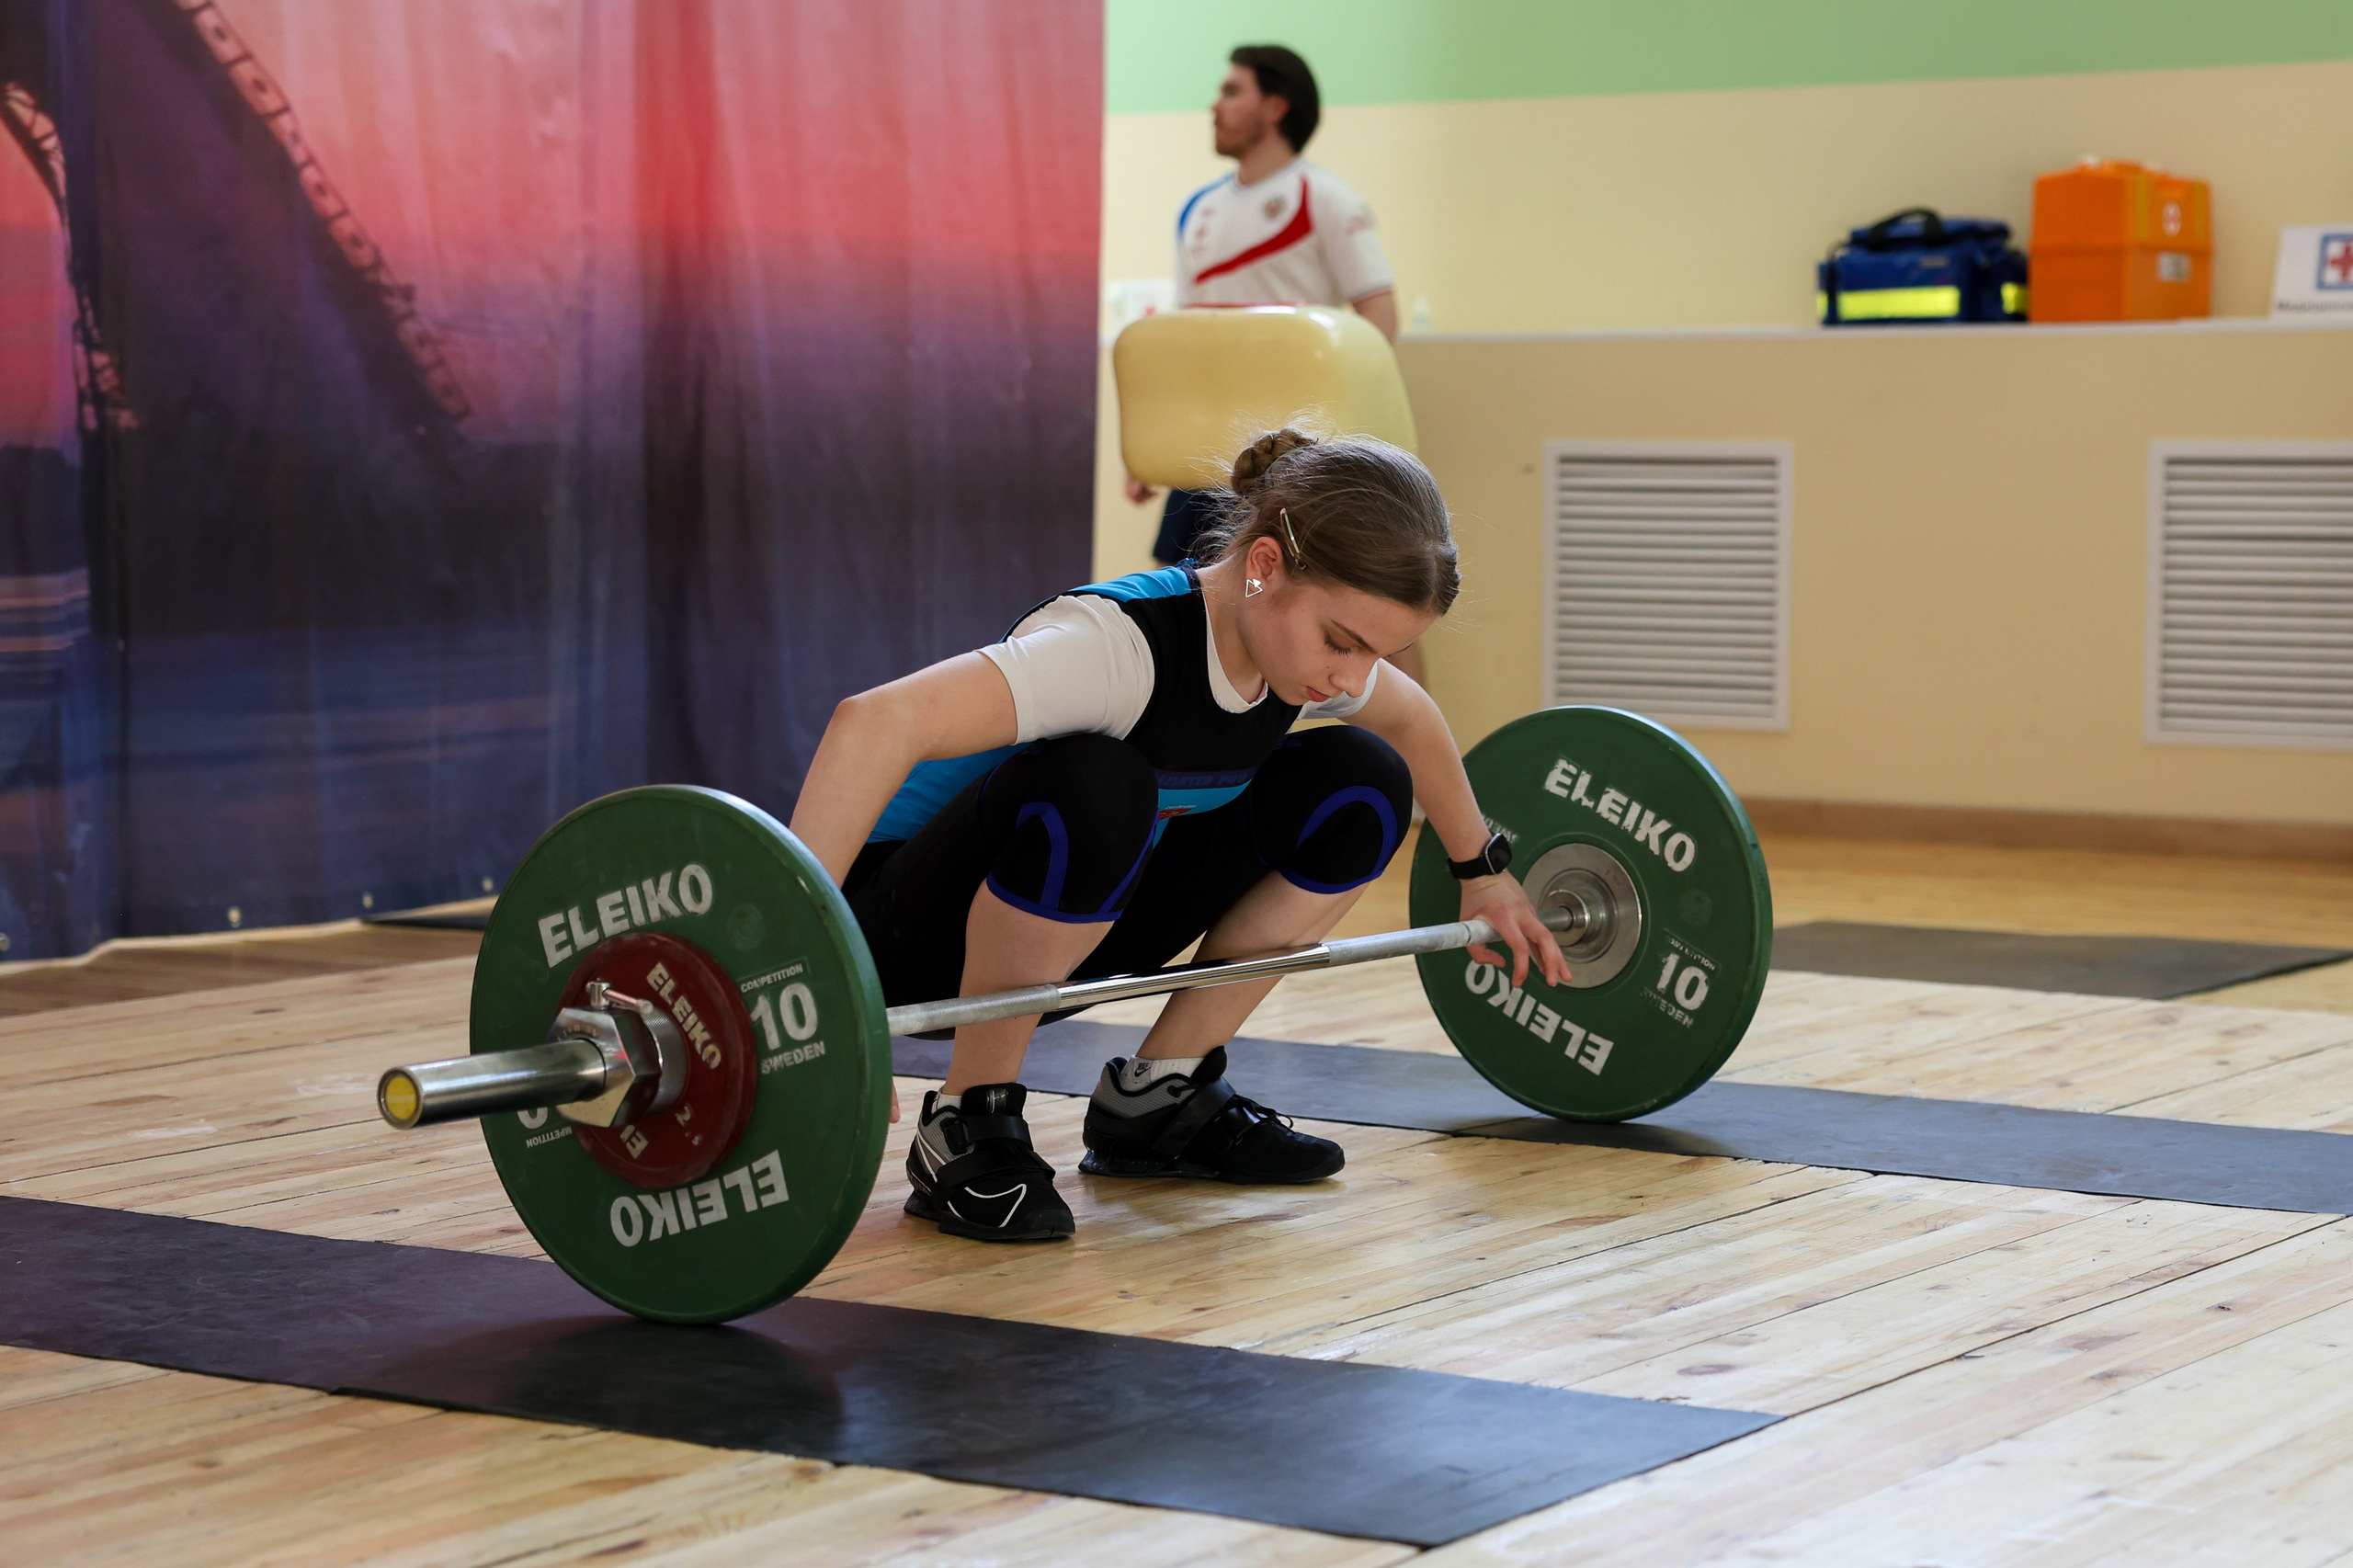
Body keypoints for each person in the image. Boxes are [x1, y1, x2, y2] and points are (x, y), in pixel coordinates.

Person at [790, 428, 1569, 1243]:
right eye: (1342, 641)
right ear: (1264, 566)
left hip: (1066, 930)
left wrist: (1479, 870)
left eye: (1373, 652)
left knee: (1364, 781)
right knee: (1099, 781)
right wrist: (811, 972)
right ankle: (967, 1119)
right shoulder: (1116, 646)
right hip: (896, 949)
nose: (1349, 674)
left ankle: (1160, 1098)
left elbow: (1411, 715)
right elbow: (875, 719)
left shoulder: (1289, 654)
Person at [1127, 45, 1399, 570]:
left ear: (1275, 107)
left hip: (1300, 455)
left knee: (1346, 600)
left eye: (1231, 92)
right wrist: (1153, 439)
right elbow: (1187, 339)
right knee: (1184, 597)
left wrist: (1341, 440)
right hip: (1209, 449)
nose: (1215, 106)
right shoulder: (1197, 211)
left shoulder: (1324, 196)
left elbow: (1380, 322)